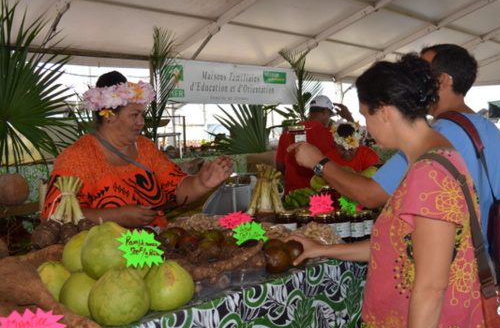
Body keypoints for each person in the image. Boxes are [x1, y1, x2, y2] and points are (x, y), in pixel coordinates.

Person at [287, 54, 485, 328]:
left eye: (366, 115)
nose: (365, 125)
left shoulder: (428, 174)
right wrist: (321, 249)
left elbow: (432, 285)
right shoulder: (431, 155)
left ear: (385, 111)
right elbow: (398, 247)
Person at [289, 44, 500, 248]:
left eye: (421, 74)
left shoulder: (434, 139)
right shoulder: (489, 129)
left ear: (441, 81)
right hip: (485, 259)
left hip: (453, 266)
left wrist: (319, 163)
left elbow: (371, 195)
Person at [42, 71, 234, 229]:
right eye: (134, 115)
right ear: (109, 116)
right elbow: (53, 215)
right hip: (104, 255)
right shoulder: (78, 157)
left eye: (142, 114)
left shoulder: (145, 148)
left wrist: (202, 183)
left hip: (153, 248)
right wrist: (116, 216)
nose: (141, 122)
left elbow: (176, 189)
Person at [275, 95, 352, 193]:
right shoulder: (332, 134)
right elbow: (354, 145)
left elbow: (280, 167)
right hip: (322, 195)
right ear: (325, 111)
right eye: (329, 115)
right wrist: (348, 117)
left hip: (294, 195)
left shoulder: (287, 134)